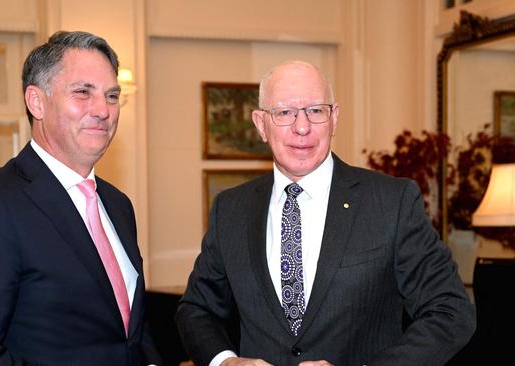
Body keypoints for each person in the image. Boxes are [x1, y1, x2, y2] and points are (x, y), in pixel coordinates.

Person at [175, 60, 475, 366]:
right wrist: (226, 362)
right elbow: (197, 310)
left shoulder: (391, 203)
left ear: (334, 118)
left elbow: (451, 311)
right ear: (260, 124)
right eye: (284, 112)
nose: (302, 127)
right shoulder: (231, 209)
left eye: (316, 110)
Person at [0, 31, 161, 366]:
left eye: (112, 96)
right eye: (83, 92)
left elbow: (127, 331)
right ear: (36, 102)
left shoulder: (117, 205)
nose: (103, 110)